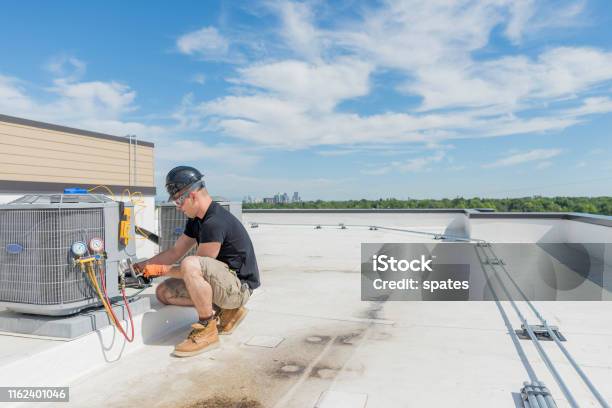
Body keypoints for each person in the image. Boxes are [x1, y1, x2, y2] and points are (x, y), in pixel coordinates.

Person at [134, 166, 260, 357]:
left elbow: (196, 269)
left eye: (178, 201)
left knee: (190, 263)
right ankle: (230, 313)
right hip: (224, 284)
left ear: (192, 196)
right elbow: (175, 251)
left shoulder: (214, 222)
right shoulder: (197, 220)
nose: (178, 207)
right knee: (164, 292)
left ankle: (207, 328)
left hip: (237, 289)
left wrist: (158, 270)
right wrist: (143, 266)